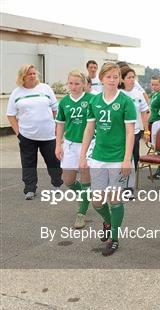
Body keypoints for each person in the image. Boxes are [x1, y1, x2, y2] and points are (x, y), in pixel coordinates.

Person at [79, 63, 137, 256]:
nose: (112, 80)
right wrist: (82, 155)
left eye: (115, 76)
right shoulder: (94, 101)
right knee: (97, 201)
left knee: (115, 200)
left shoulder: (126, 102)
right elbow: (89, 130)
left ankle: (114, 238)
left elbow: (130, 132)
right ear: (101, 78)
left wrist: (127, 159)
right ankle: (110, 223)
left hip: (118, 159)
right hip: (98, 158)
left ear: (119, 79)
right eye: (109, 76)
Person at [6, 64, 63, 200]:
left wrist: (57, 129)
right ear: (22, 77)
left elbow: (56, 109)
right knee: (28, 163)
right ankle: (30, 189)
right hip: (27, 136)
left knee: (53, 161)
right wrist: (18, 133)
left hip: (48, 135)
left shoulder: (45, 88)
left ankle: (57, 185)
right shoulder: (16, 93)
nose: (32, 76)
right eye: (29, 74)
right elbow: (10, 115)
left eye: (33, 73)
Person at [55, 70, 93, 228]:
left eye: (77, 83)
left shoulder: (92, 99)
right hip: (70, 144)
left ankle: (81, 214)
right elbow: (60, 124)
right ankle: (85, 196)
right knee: (68, 180)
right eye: (71, 83)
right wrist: (58, 144)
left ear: (84, 84)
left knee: (85, 176)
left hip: (89, 144)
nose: (74, 86)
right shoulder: (64, 102)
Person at [119, 66, 150, 198]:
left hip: (135, 132)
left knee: (134, 159)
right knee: (121, 159)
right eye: (129, 77)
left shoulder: (138, 94)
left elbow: (144, 113)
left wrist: (146, 131)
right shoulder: (118, 94)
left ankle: (129, 187)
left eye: (133, 77)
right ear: (122, 79)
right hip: (120, 133)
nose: (132, 80)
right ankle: (120, 185)